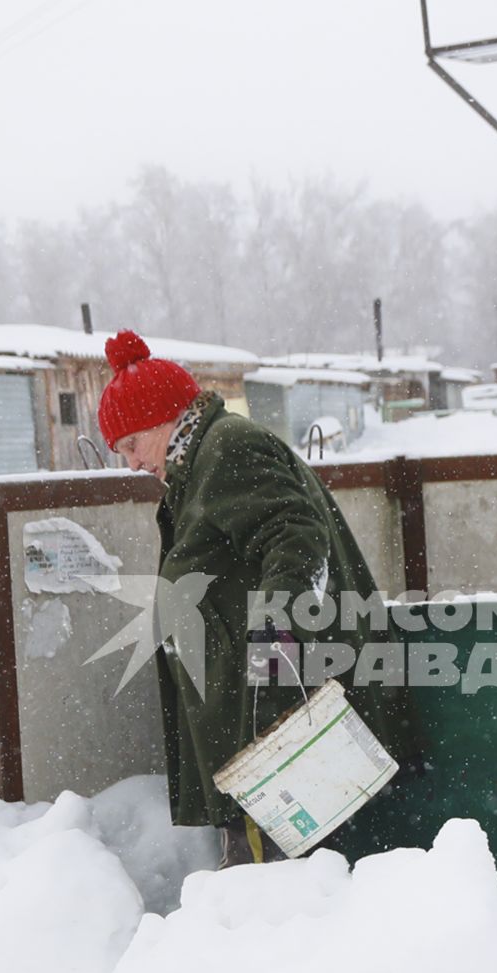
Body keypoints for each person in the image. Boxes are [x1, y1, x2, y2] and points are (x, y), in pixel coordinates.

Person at [96, 330, 413, 869]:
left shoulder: (228, 448)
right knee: (277, 868)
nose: (129, 463)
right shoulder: (198, 465)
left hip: (275, 711)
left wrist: (276, 626)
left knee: (298, 872)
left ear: (165, 419)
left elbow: (295, 534)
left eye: (130, 444)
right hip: (256, 718)